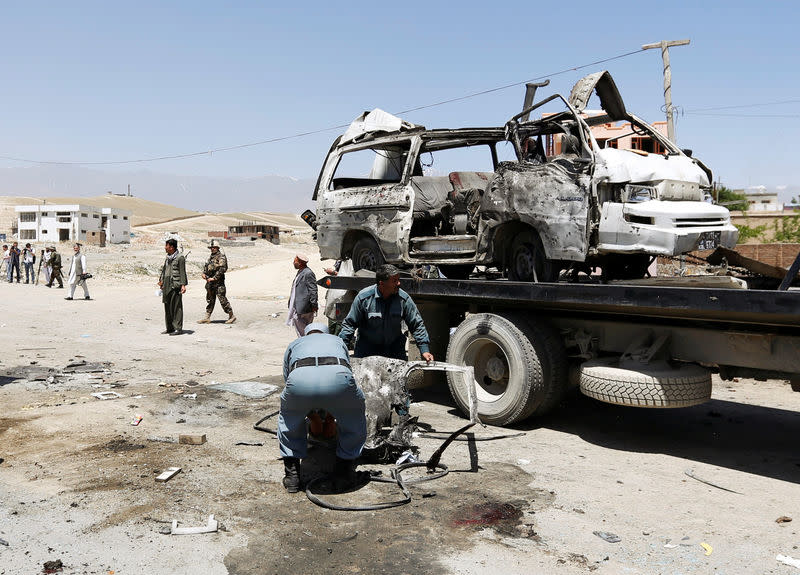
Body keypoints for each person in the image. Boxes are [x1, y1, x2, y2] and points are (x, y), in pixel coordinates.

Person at [278, 322, 367, 493]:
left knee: (289, 420)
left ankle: (292, 477)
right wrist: (333, 417)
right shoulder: (337, 340)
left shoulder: (296, 343)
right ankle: (344, 473)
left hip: (299, 380)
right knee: (353, 414)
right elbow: (345, 374)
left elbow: (287, 379)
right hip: (338, 378)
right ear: (326, 333)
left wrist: (309, 413)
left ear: (307, 334)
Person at [339, 264, 434, 362]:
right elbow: (349, 325)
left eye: (398, 279)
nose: (399, 283)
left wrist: (424, 350)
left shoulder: (403, 299)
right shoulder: (364, 298)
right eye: (394, 281)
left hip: (394, 353)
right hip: (367, 353)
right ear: (381, 284)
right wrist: (340, 351)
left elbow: (417, 324)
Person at [197, 239, 235, 324]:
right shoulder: (211, 257)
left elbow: (222, 269)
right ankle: (207, 317)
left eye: (213, 247)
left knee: (222, 300)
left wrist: (214, 278)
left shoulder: (221, 257)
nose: (212, 249)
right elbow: (207, 268)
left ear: (217, 248)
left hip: (218, 283)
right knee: (210, 300)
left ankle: (231, 316)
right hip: (210, 283)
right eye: (211, 248)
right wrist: (204, 273)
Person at [158, 238, 188, 335]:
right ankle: (169, 328)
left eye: (166, 246)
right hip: (166, 284)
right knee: (167, 306)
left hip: (175, 284)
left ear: (171, 247)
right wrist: (161, 281)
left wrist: (183, 285)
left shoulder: (180, 258)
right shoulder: (168, 258)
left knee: (176, 307)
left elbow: (182, 272)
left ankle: (178, 328)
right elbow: (164, 270)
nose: (165, 248)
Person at [285, 253, 317, 337]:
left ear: (300, 262)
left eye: (295, 261)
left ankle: (305, 343)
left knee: (303, 329)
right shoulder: (301, 272)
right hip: (299, 306)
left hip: (304, 307)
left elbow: (313, 290)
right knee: (302, 328)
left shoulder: (308, 273)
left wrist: (314, 304)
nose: (293, 263)